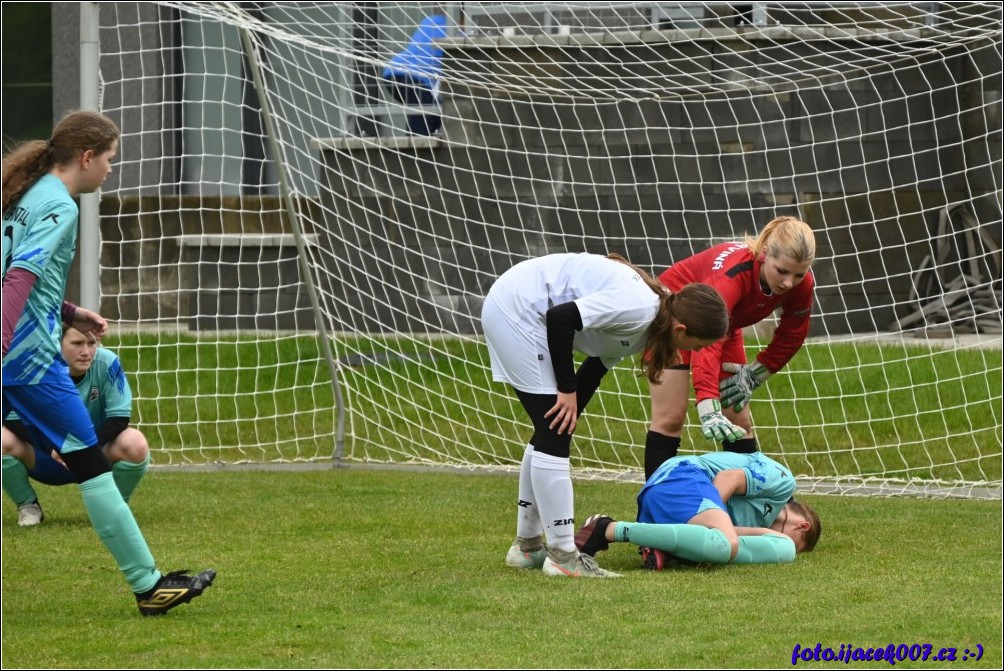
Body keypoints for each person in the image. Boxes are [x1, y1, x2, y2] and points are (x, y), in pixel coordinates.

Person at [2, 110, 215, 616]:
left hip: (23, 353)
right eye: (111, 159)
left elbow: (18, 278)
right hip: (30, 360)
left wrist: (73, 312)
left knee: (89, 464)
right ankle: (149, 587)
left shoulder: (26, 198)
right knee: (94, 470)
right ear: (86, 157)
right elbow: (17, 283)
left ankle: (149, 585)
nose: (112, 170)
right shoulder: (58, 205)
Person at [481, 252, 730, 578]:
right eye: (697, 345)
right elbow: (561, 318)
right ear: (681, 329)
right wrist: (566, 392)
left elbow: (595, 367)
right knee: (554, 431)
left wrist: (570, 407)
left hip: (523, 311)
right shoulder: (639, 308)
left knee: (554, 428)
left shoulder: (646, 326)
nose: (694, 353)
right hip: (518, 310)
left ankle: (527, 549)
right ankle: (562, 556)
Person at [644, 215, 816, 479]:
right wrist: (707, 405)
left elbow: (792, 335)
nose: (788, 283)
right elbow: (707, 349)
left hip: (723, 325)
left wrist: (755, 374)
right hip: (673, 318)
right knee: (670, 418)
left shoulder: (801, 285)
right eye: (781, 271)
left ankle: (751, 501)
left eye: (798, 274)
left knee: (739, 420)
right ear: (765, 253)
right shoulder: (732, 276)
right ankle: (655, 504)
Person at [3, 325, 151, 526]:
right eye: (77, 343)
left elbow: (119, 419)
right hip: (49, 458)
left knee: (135, 442)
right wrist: (55, 446)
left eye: (91, 343)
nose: (86, 351)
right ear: (57, 344)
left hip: (95, 456)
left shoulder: (107, 362)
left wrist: (80, 448)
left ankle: (113, 508)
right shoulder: (35, 368)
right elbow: (13, 420)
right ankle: (28, 505)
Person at [575, 450, 822, 568]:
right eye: (795, 542)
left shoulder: (760, 524)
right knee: (730, 543)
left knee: (721, 542)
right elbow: (729, 478)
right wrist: (723, 529)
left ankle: (668, 551)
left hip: (664, 503)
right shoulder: (783, 483)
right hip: (684, 475)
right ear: (802, 526)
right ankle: (607, 529)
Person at [382, 14, 448, 136]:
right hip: (414, 76)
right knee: (426, 113)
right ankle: (417, 148)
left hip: (392, 71)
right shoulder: (457, 32)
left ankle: (415, 141)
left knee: (424, 110)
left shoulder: (431, 20)